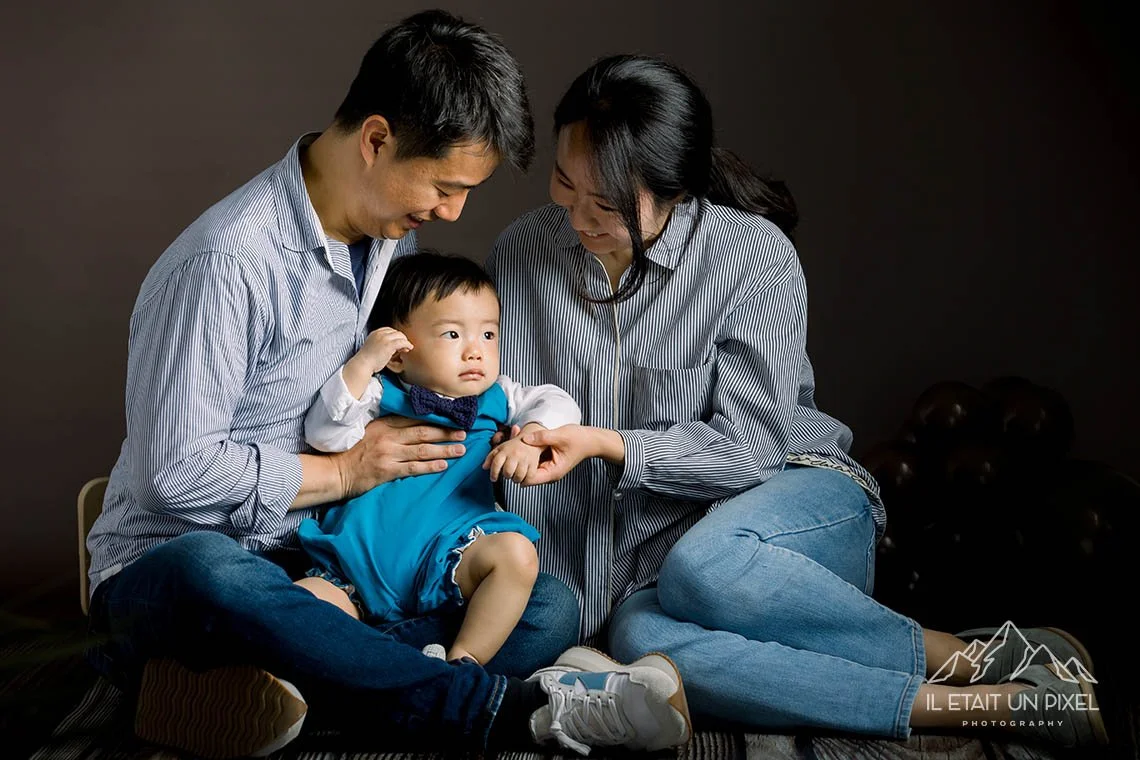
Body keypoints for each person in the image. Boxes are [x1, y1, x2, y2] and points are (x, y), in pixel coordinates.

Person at [83, 17, 691, 758]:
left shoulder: (391, 238)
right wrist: (344, 470)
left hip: (324, 565)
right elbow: (173, 475)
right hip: (189, 568)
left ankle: (293, 683)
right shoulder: (227, 264)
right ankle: (502, 710)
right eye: (445, 185)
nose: (452, 213)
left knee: (547, 605)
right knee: (211, 573)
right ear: (376, 140)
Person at [486, 54, 1108, 749]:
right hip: (652, 565)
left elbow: (753, 448)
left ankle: (974, 656)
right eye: (565, 184)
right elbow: (509, 420)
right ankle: (993, 705)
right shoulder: (519, 254)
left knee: (705, 566)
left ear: (676, 191)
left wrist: (612, 443)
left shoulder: (754, 256)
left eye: (606, 204)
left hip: (793, 494)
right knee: (640, 637)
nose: (575, 216)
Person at [296, 251, 580, 667]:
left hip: (449, 555)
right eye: (452, 335)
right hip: (355, 567)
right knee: (297, 607)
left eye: (488, 335)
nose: (475, 352)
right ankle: (351, 673)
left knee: (518, 555)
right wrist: (362, 366)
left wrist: (532, 435)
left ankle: (461, 666)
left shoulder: (499, 396)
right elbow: (324, 433)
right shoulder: (380, 393)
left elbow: (557, 401)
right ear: (397, 354)